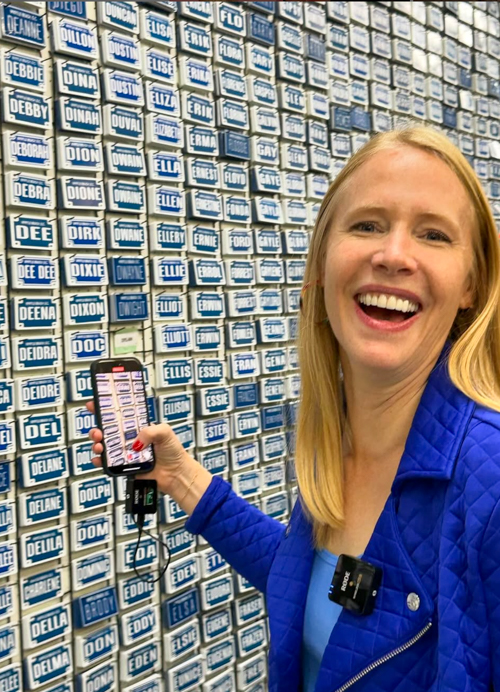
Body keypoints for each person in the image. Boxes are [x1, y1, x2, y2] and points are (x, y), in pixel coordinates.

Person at [88, 126, 500, 692]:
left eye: (432, 234)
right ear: (321, 265)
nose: (393, 254)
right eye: (367, 225)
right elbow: (319, 591)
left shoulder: (491, 477)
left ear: (472, 282)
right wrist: (185, 481)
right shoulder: (341, 442)